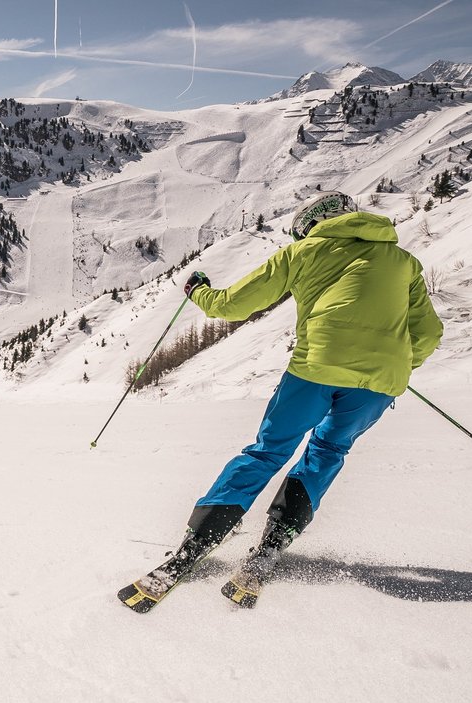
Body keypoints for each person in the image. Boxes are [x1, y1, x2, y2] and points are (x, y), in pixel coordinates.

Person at [130, 192, 443, 609]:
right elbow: (429, 333)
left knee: (267, 452)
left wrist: (198, 291)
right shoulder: (403, 262)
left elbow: (234, 305)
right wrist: (394, 365)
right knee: (329, 450)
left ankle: (197, 543)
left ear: (312, 224)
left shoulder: (304, 251)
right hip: (381, 381)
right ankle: (272, 546)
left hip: (317, 367)